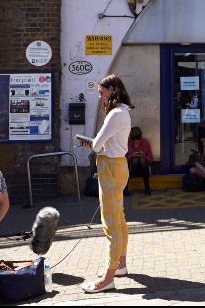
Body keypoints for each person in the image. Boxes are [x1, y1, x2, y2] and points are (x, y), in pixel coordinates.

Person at [77, 74, 134, 293]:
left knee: (110, 223)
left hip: (109, 167)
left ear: (112, 90)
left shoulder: (115, 114)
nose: (100, 97)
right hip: (118, 165)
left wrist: (89, 144)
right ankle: (120, 264)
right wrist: (95, 145)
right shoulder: (123, 112)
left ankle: (108, 278)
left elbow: (98, 145)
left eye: (102, 92)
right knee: (118, 217)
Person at [124, 126, 153, 196]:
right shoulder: (127, 143)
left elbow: (151, 159)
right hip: (131, 170)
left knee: (142, 160)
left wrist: (144, 156)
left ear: (140, 138)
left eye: (138, 139)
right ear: (131, 139)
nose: (136, 142)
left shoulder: (145, 143)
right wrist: (131, 156)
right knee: (135, 160)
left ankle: (147, 187)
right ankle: (125, 189)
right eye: (134, 140)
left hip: (144, 169)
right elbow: (123, 161)